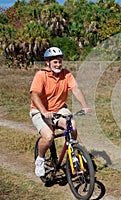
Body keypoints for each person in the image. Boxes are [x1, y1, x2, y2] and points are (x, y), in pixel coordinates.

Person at [30, 47, 90, 177]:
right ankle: (40, 159)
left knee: (72, 126)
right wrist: (44, 111)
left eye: (60, 61)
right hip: (39, 110)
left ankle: (73, 151)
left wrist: (84, 106)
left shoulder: (66, 74)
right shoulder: (41, 75)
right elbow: (34, 96)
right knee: (49, 136)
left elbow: (75, 89)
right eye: (55, 62)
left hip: (59, 109)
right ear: (48, 62)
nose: (58, 64)